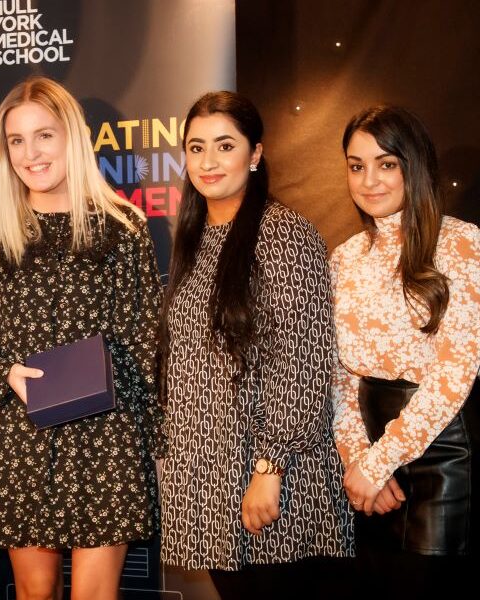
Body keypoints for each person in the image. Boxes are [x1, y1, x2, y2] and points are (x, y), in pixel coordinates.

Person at [0, 76, 163, 600]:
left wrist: (154, 443)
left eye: (43, 135)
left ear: (71, 135)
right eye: (17, 141)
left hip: (107, 434)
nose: (31, 153)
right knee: (34, 592)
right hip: (23, 435)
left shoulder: (122, 227)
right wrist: (5, 371)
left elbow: (145, 346)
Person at [158, 91, 355, 599]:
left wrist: (270, 467)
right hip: (207, 473)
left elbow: (304, 363)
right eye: (196, 147)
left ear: (256, 154)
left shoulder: (284, 235)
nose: (208, 161)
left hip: (270, 477)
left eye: (225, 146)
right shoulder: (194, 237)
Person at [331, 105, 480, 596]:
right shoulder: (344, 257)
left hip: (448, 447)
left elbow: (453, 377)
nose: (369, 180)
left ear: (415, 165)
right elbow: (339, 376)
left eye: (386, 163)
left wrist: (377, 463)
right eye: (356, 165)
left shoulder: (462, 243)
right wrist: (358, 461)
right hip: (371, 451)